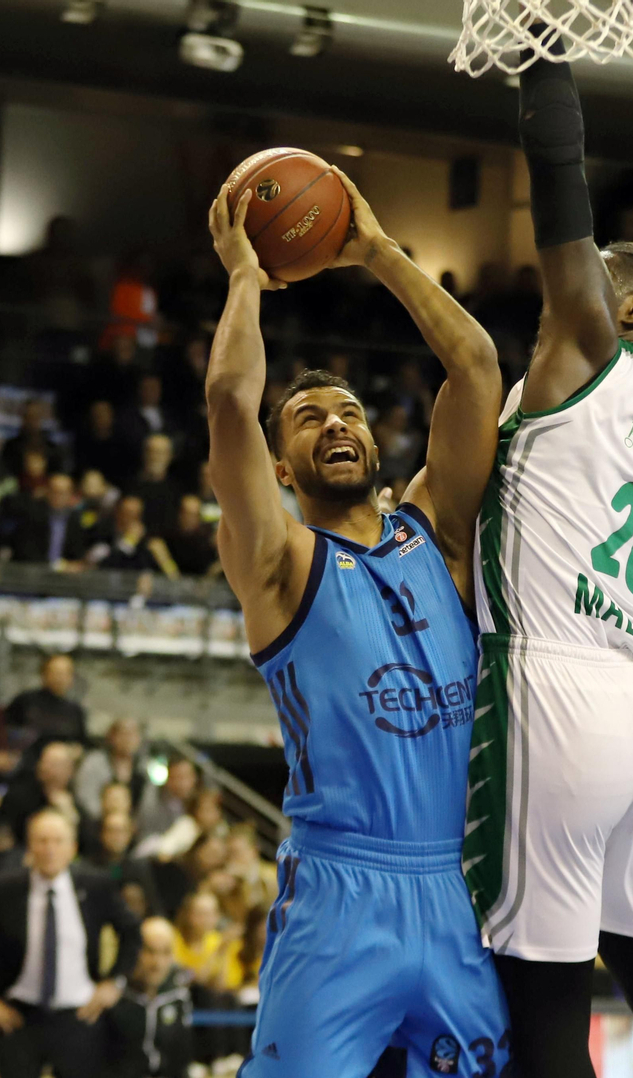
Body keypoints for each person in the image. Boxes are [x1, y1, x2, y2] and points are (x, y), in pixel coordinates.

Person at [455, 51, 633, 1078]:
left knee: (548, 1014)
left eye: (590, 286)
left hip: (559, 692)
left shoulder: (589, 350)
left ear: (625, 313)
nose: (557, 298)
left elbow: (558, 195)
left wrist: (545, 63)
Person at [207, 163, 510, 1073]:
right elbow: (229, 400)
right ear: (284, 468)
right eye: (305, 419)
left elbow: (477, 365)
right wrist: (244, 280)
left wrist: (376, 249)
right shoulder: (279, 560)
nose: (333, 423)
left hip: (448, 889)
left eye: (347, 412)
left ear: (376, 446)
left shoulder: (437, 532)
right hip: (338, 895)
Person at [0, 809, 140, 1078]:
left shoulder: (96, 885)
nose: (49, 849)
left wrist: (115, 982)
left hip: (79, 1015)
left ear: (72, 848)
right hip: (18, 1017)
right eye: (41, 841)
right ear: (29, 846)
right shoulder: (4, 889)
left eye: (58, 841)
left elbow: (132, 931)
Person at [108, 917, 192, 1078]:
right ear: (134, 950)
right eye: (150, 951)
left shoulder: (179, 998)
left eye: (166, 953)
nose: (157, 963)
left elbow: (181, 1059)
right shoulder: (115, 997)